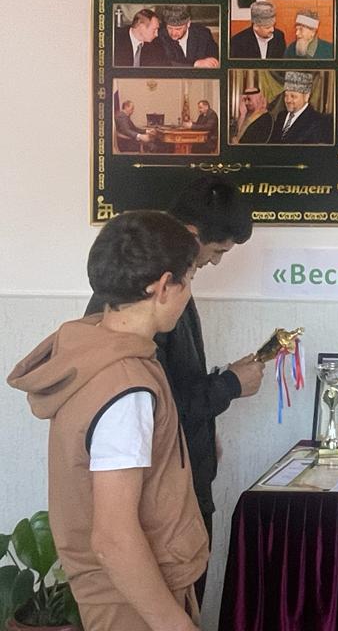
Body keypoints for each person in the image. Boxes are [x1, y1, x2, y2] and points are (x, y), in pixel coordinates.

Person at [9, 210, 207, 630]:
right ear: (162, 287)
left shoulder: (93, 351)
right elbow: (114, 538)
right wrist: (176, 624)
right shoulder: (125, 387)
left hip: (129, 591)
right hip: (133, 599)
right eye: (189, 279)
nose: (189, 293)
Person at [84, 175, 265, 604]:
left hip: (182, 485)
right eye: (215, 254)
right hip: (161, 502)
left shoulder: (157, 309)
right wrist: (229, 386)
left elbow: (169, 396)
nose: (209, 268)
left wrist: (203, 431)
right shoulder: (122, 361)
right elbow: (114, 537)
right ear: (162, 285)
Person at [267, 71, 333, 144]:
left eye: (293, 96)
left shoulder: (318, 122)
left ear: (306, 97)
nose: (288, 100)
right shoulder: (281, 116)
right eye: (286, 95)